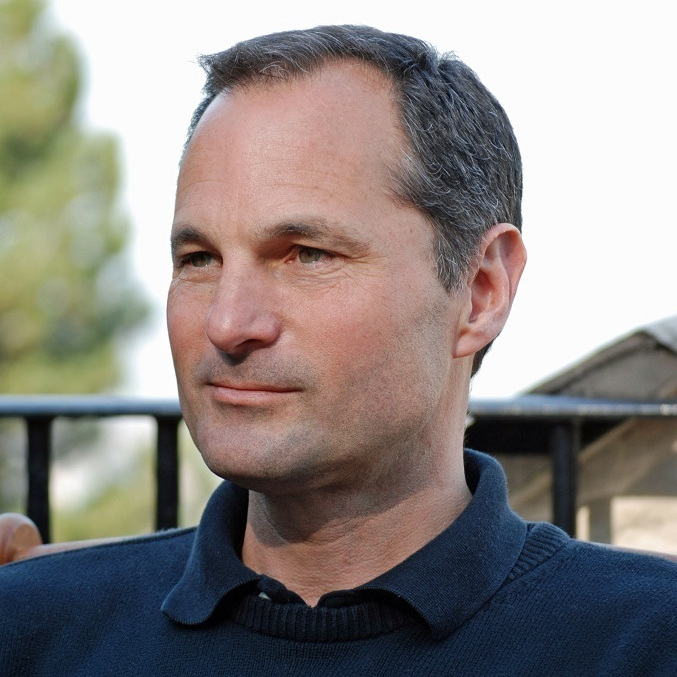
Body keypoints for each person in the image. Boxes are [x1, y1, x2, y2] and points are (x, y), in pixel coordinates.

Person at [1, 24, 675, 676]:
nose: (228, 323)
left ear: (480, 291)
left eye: (307, 254)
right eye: (199, 258)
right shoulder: (34, 630)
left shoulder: (644, 640)